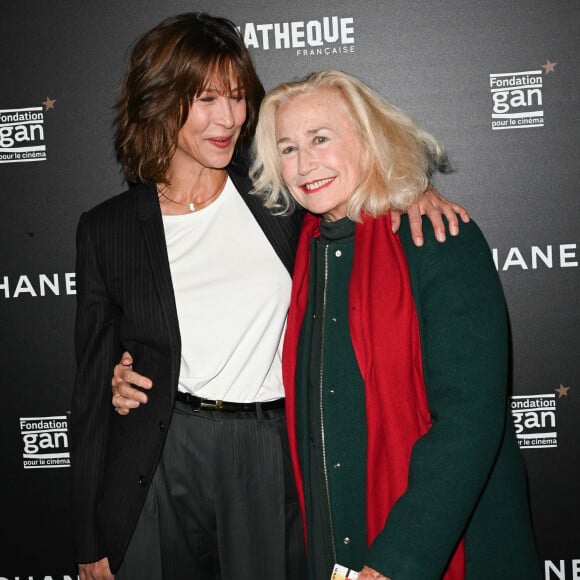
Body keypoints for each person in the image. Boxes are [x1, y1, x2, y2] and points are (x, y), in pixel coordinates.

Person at [74, 12, 467, 580]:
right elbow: (89, 396)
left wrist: (417, 190)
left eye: (236, 98)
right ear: (161, 100)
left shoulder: (276, 193)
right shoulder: (105, 230)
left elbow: (354, 173)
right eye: (206, 99)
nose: (228, 118)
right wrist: (88, 537)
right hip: (157, 458)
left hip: (265, 451)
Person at [246, 69, 542, 579]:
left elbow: (468, 419)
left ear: (368, 139)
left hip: (438, 549)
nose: (303, 163)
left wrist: (396, 561)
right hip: (341, 544)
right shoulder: (307, 249)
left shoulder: (437, 237)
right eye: (288, 148)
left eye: (320, 139)